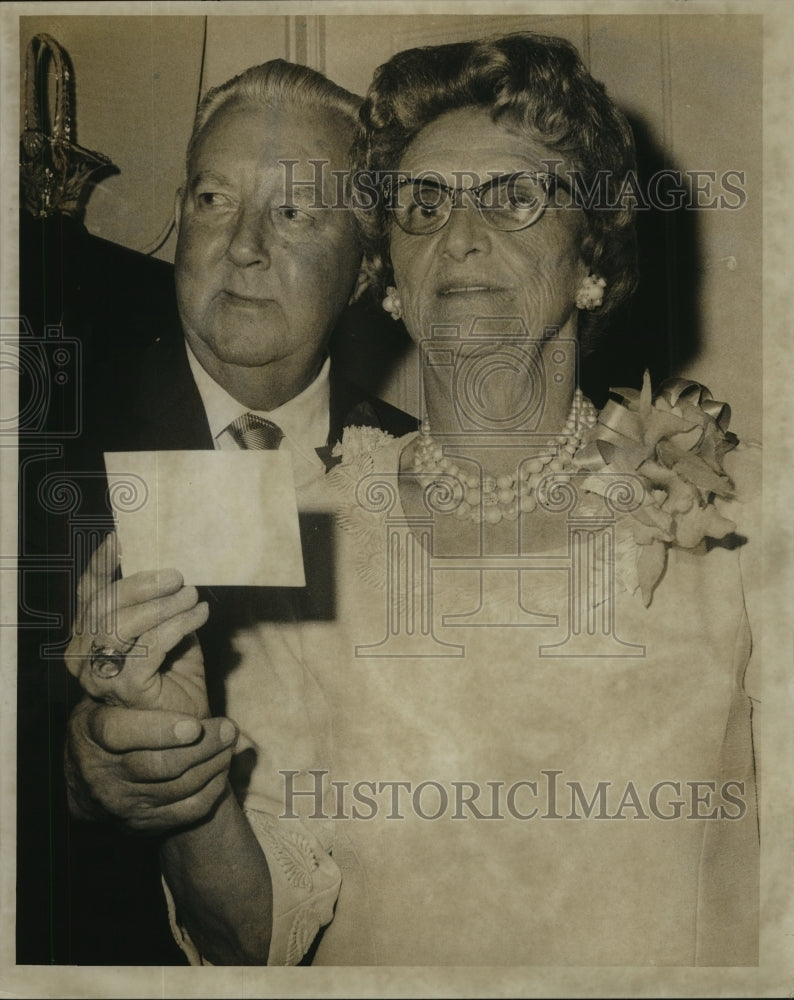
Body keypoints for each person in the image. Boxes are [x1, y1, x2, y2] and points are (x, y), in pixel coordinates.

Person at [67, 33, 760, 966]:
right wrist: (190, 794)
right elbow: (258, 931)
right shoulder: (314, 530)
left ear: (591, 257)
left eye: (513, 197)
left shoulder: (737, 531)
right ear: (390, 275)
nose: (460, 235)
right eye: (424, 203)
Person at [56, 58, 414, 965]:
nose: (244, 246)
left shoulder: (421, 476)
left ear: (368, 265)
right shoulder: (41, 441)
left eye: (293, 212)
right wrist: (81, 769)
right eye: (215, 199)